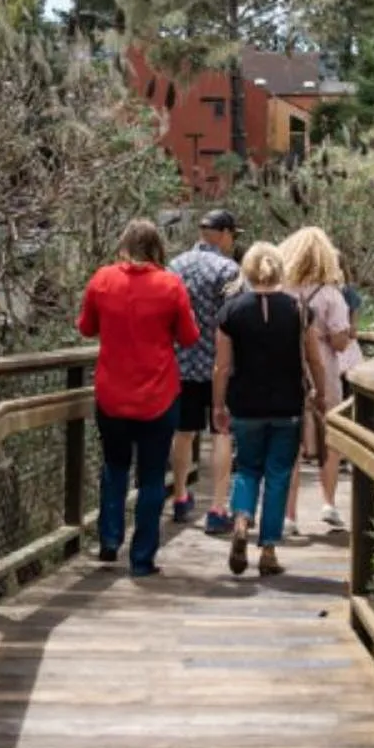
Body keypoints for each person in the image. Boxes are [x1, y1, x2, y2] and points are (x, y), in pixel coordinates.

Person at [76, 218, 197, 576]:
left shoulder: (102, 280)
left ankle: (110, 541)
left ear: (124, 245)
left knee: (114, 467)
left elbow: (86, 328)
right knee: (150, 476)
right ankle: (142, 558)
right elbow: (189, 337)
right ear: (157, 247)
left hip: (112, 394)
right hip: (158, 396)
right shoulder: (171, 285)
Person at [210, 241, 331, 577]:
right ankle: (267, 550)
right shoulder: (298, 309)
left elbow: (221, 367)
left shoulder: (231, 312)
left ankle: (241, 519)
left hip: (245, 405)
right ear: (280, 270)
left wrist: (217, 404)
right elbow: (315, 360)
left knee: (247, 469)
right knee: (278, 474)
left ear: (246, 271)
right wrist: (320, 393)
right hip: (287, 405)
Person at [281, 226, 362, 531]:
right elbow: (341, 342)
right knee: (330, 437)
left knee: (290, 442)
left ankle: (289, 516)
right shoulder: (331, 295)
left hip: (288, 372)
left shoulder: (281, 292)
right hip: (324, 373)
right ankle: (328, 503)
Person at [165, 208, 240, 535]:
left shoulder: (174, 267)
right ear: (224, 234)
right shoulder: (228, 270)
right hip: (219, 366)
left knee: (183, 432)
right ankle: (217, 507)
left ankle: (180, 497)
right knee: (221, 431)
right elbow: (235, 320)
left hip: (180, 364)